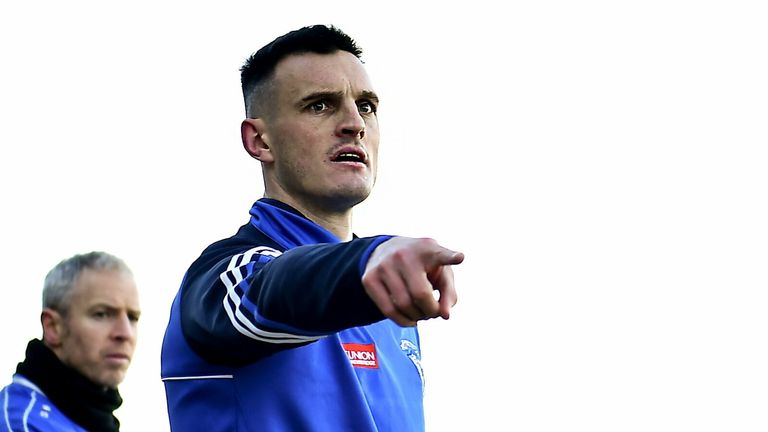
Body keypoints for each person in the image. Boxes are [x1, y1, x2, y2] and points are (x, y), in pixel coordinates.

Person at [161, 24, 464, 432]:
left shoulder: (389, 299)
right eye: (320, 105)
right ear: (260, 141)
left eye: (367, 106)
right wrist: (366, 259)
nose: (354, 123)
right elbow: (266, 291)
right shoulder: (223, 277)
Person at [1, 251, 140, 431]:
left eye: (132, 318)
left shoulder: (89, 415)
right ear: (53, 327)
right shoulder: (23, 425)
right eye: (102, 314)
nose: (125, 333)